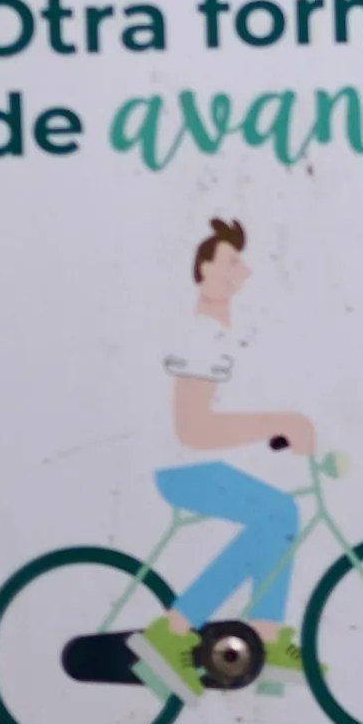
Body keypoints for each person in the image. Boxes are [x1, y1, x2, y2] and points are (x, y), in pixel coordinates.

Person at [139, 217, 317, 697]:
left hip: (198, 465)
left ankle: (266, 637)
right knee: (278, 513)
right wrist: (276, 423)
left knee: (280, 514)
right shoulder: (203, 334)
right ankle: (175, 629)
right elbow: (192, 428)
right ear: (204, 269)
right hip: (183, 468)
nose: (244, 271)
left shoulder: (220, 330)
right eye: (232, 261)